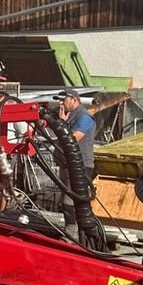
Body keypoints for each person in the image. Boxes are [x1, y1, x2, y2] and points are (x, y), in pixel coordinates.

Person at [55, 88, 96, 240]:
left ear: (73, 99)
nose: (61, 103)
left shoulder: (84, 117)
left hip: (80, 165)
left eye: (63, 100)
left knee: (71, 200)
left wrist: (61, 123)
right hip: (68, 164)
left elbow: (73, 138)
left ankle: (73, 235)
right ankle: (75, 233)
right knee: (68, 198)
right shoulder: (70, 115)